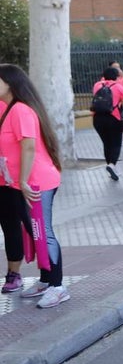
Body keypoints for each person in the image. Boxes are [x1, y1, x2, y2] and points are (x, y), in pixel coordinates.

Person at [0, 64, 69, 308]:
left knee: (43, 231)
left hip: (37, 182)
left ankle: (58, 286)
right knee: (34, 231)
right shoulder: (8, 109)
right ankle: (46, 279)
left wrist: (22, 180)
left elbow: (28, 147)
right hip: (22, 183)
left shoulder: (21, 110)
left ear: (11, 84)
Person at [90, 67, 123, 181]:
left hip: (97, 118)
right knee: (116, 143)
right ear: (116, 76)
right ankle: (112, 165)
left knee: (106, 143)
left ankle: (111, 167)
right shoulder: (118, 87)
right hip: (113, 117)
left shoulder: (97, 85)